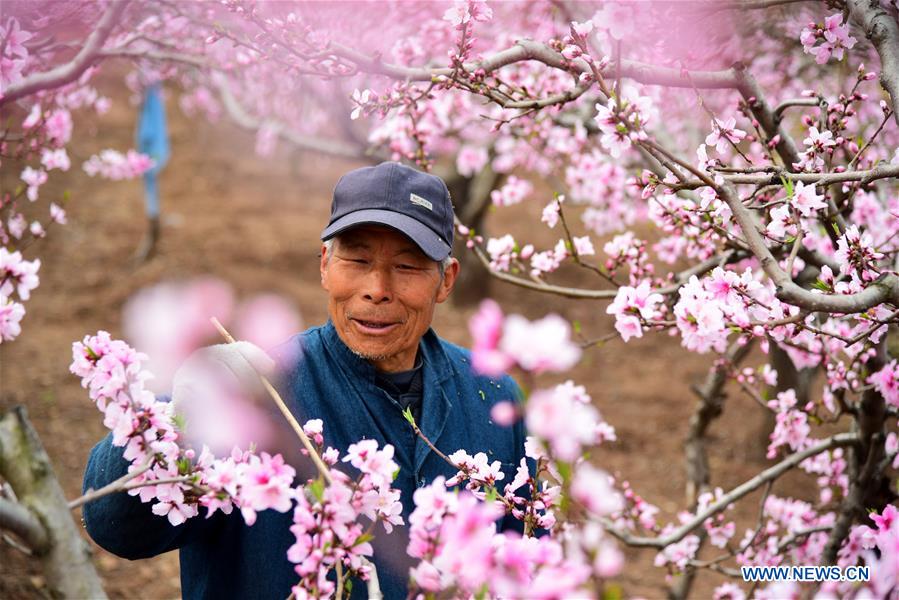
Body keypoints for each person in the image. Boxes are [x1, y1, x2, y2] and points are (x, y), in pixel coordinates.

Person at [82, 161, 528, 599]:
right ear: (325, 265)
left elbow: (524, 560)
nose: (377, 288)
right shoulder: (256, 392)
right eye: (357, 259)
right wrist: (173, 424)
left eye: (407, 266)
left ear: (446, 280)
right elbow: (116, 527)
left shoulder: (492, 397)